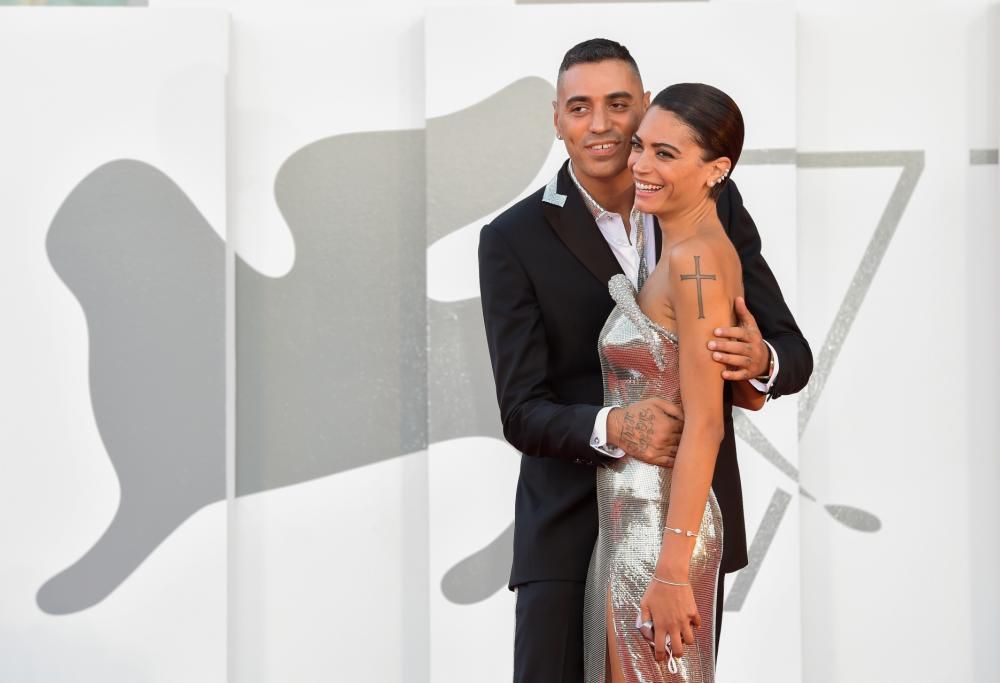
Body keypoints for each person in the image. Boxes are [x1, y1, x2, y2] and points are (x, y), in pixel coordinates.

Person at [478, 39, 812, 683]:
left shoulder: (711, 202)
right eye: (580, 107)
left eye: (618, 104)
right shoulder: (512, 238)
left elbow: (790, 352)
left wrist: (759, 359)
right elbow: (521, 410)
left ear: (646, 106)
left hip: (677, 524)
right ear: (557, 119)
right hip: (566, 528)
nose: (601, 124)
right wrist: (615, 426)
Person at [584, 82, 765, 683]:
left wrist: (669, 570)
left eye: (665, 153)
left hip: (657, 529)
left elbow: (707, 424)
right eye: (640, 146)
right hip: (633, 521)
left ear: (717, 169)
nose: (639, 164)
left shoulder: (695, 261)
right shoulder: (687, 249)